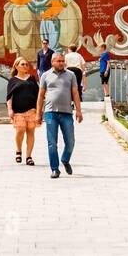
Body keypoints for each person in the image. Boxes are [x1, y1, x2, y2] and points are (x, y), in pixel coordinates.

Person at [36, 51, 82, 179]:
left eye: (63, 61)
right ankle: (55, 169)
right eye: (59, 61)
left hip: (67, 112)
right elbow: (40, 96)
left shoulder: (71, 75)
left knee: (71, 141)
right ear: (52, 62)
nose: (62, 63)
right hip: (50, 113)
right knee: (52, 143)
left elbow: (75, 93)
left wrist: (78, 110)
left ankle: (65, 159)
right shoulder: (45, 75)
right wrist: (38, 114)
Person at [6, 57, 40, 166]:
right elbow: (9, 97)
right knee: (20, 130)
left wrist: (40, 110)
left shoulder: (32, 79)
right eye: (23, 64)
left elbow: (38, 95)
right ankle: (18, 150)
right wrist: (10, 109)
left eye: (26, 64)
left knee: (31, 132)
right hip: (18, 111)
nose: (25, 66)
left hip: (32, 110)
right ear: (16, 66)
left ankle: (29, 156)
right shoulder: (12, 80)